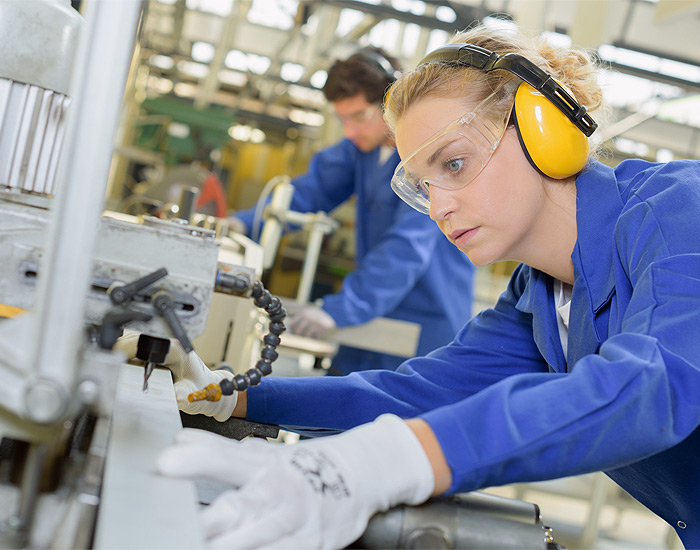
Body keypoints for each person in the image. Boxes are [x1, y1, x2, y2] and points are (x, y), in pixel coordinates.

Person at [140, 24, 700, 550]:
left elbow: (655, 384)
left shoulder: (681, 210)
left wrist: (391, 462)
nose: (439, 207)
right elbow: (411, 395)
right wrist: (230, 395)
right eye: (423, 186)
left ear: (543, 129)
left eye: (454, 164)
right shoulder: (539, 295)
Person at [230, 47, 476, 374]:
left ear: (392, 102)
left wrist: (342, 309)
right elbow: (309, 191)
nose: (349, 131)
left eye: (359, 117)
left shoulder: (429, 160)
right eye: (342, 119)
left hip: (422, 324)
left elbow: (405, 249)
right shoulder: (360, 152)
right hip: (367, 313)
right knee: (336, 404)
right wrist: (241, 224)